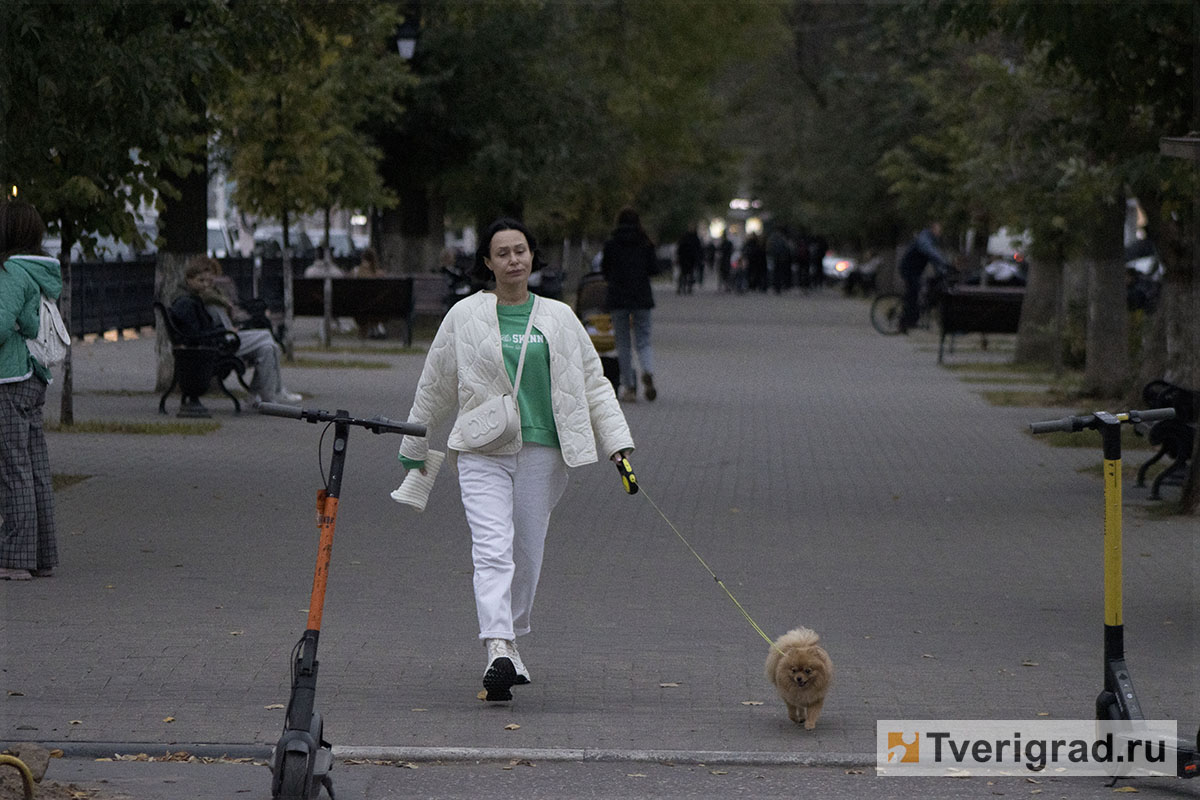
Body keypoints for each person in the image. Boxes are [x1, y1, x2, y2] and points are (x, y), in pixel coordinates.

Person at [396, 217, 634, 702]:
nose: (513, 260)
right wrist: (413, 445)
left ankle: (512, 638)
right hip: (482, 449)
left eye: (520, 250)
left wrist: (617, 442)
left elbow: (592, 383)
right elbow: (436, 382)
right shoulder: (465, 316)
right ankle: (498, 647)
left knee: (526, 553)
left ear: (532, 257)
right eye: (502, 253)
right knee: (491, 549)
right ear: (487, 262)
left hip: (543, 450)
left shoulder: (559, 317)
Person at [0, 200, 60, 580]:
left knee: (12, 468)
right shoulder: (42, 270)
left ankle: (15, 557)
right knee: (36, 467)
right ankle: (41, 555)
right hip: (34, 377)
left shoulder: (11, 271)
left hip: (9, 377)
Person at [171, 257, 301, 404]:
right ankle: (273, 394)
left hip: (223, 339)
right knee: (267, 337)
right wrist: (228, 328)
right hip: (220, 343)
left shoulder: (205, 297)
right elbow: (200, 330)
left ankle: (258, 396)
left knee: (268, 348)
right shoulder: (199, 299)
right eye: (201, 281)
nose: (206, 285)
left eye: (209, 280)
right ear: (189, 280)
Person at [601, 208, 658, 403]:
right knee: (644, 340)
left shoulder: (611, 244)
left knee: (623, 344)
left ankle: (629, 387)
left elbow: (605, 270)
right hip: (642, 297)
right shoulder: (645, 243)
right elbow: (654, 269)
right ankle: (648, 371)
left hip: (618, 298)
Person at [898, 223, 953, 333]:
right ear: (932, 229)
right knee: (914, 292)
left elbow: (933, 259)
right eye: (938, 230)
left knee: (916, 292)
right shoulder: (924, 239)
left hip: (915, 271)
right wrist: (944, 263)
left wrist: (942, 270)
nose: (939, 233)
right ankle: (906, 321)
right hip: (909, 269)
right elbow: (931, 252)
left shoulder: (931, 240)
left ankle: (909, 321)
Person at [350, 247, 387, 339]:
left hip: (358, 307)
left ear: (362, 258)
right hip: (377, 307)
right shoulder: (379, 274)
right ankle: (375, 328)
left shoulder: (355, 272)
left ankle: (364, 333)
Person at [675, 227, 701, 295]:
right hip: (691, 259)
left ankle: (681, 288)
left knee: (683, 274)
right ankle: (689, 288)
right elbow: (698, 250)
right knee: (690, 274)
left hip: (683, 259)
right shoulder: (695, 239)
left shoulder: (683, 240)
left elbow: (679, 250)